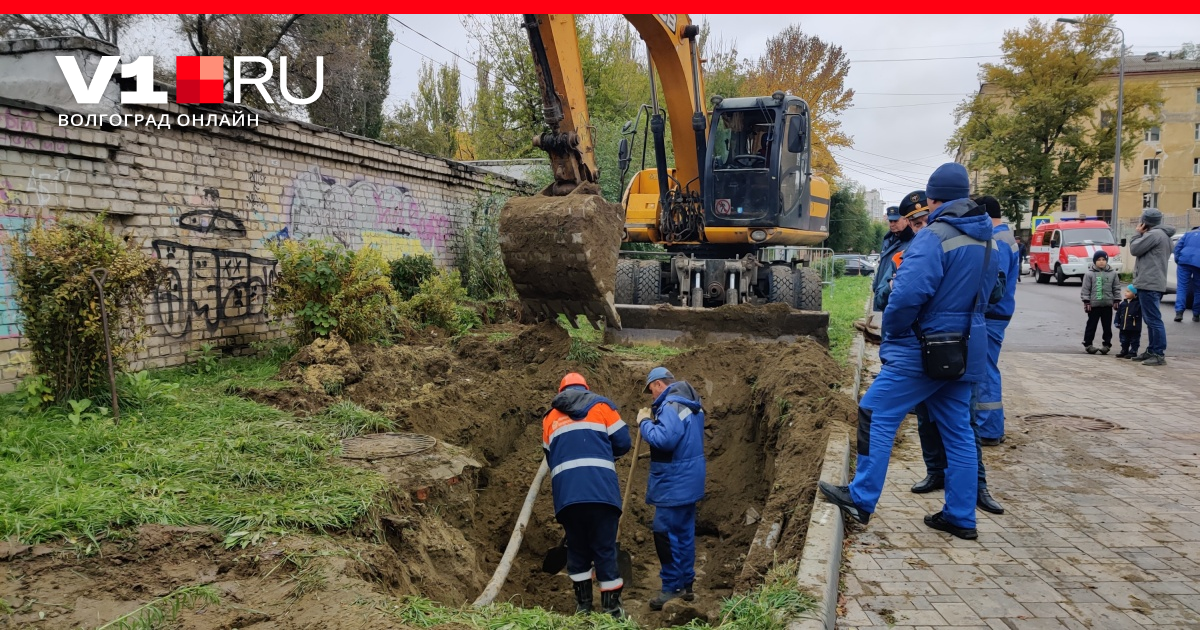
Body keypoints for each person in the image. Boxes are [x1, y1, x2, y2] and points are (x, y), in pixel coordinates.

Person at [819, 163, 999, 541]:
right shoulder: (987, 239)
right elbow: (993, 294)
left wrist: (895, 332)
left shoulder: (933, 237)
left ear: (933, 199)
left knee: (875, 411)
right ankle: (962, 516)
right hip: (967, 348)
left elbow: (906, 296)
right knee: (959, 432)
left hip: (924, 347)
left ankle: (861, 498)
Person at [910, 195, 1013, 516]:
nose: (921, 227)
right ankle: (935, 472)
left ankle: (978, 487)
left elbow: (995, 291)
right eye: (915, 223)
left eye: (923, 220)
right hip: (921, 344)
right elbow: (894, 296)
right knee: (926, 416)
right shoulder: (913, 250)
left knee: (964, 421)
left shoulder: (975, 245)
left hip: (960, 343)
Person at [541, 373, 631, 617]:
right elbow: (623, 442)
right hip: (602, 492)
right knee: (604, 549)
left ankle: (583, 608)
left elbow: (550, 457)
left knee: (578, 550)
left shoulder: (549, 418)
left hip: (568, 498)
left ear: (561, 392)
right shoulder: (602, 407)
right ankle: (612, 610)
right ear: (586, 388)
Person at [639, 367, 706, 611]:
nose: (652, 397)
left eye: (651, 391)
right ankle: (687, 584)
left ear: (658, 385)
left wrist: (645, 423)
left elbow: (664, 440)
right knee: (684, 532)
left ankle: (672, 586)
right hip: (690, 480)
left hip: (673, 482)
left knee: (664, 533)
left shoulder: (671, 406)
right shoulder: (693, 406)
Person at [1129, 208, 1176, 366]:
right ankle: (1151, 350)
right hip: (1154, 282)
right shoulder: (1163, 236)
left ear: (1145, 221)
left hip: (1150, 283)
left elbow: (1134, 249)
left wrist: (1137, 234)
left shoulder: (1154, 235)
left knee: (1154, 320)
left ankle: (1158, 353)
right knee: (1151, 319)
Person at [873, 205, 914, 311]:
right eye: (890, 221)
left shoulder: (912, 240)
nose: (892, 224)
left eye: (895, 221)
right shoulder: (888, 240)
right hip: (884, 292)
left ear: (906, 220)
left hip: (896, 293)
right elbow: (883, 263)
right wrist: (876, 284)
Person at [1080, 251, 1121, 354]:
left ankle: (1106, 344)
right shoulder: (1090, 274)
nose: (1101, 262)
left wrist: (1116, 300)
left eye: (1103, 260)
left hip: (1107, 305)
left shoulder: (1113, 274)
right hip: (1094, 305)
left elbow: (1116, 288)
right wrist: (1086, 302)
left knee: (1107, 326)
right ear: (1094, 261)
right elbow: (1085, 289)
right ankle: (1088, 344)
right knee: (1091, 325)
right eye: (1098, 260)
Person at [1174, 226, 1200, 322]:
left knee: (1182, 287)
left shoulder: (1188, 234)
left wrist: (1178, 260)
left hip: (1184, 261)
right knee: (1198, 289)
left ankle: (1179, 312)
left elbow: (1177, 247)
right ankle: (1196, 314)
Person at [1115, 285, 1143, 359]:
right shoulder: (1123, 304)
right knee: (1123, 340)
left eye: (1128, 291)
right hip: (1123, 326)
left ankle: (1133, 351)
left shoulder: (1138, 304)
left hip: (1134, 327)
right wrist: (1116, 321)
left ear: (1134, 294)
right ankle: (1124, 350)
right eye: (1125, 291)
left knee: (1134, 340)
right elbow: (1118, 314)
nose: (1125, 293)